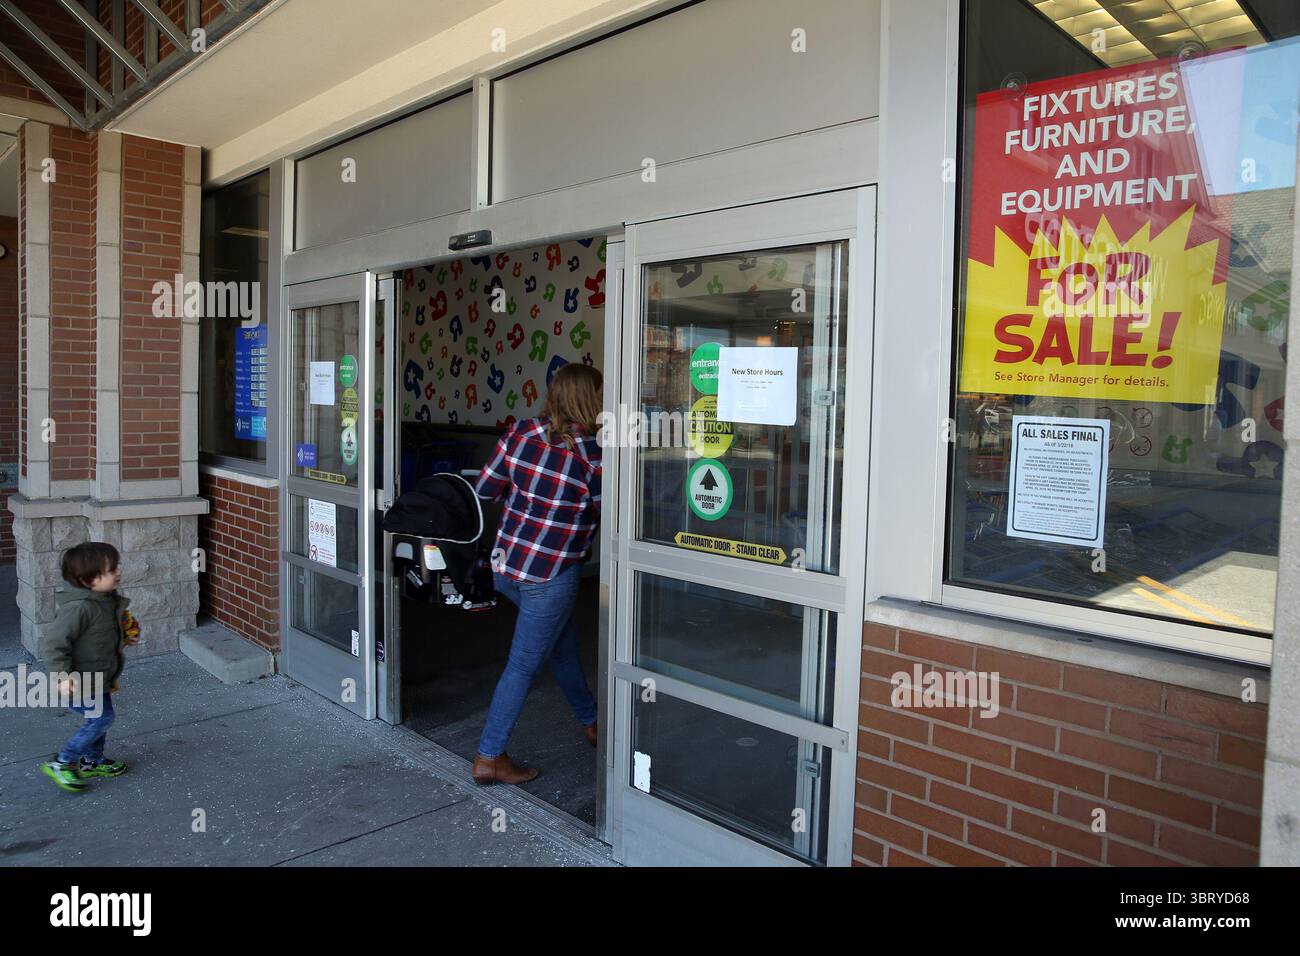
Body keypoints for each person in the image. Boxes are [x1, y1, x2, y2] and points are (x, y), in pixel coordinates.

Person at [471, 363, 603, 785]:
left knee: (559, 647)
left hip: (506, 566)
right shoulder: (594, 455)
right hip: (549, 576)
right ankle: (489, 757)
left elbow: (485, 490)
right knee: (523, 665)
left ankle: (592, 720)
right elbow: (611, 516)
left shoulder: (521, 432)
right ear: (592, 399)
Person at [38, 542, 138, 793]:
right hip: (80, 680)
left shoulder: (105, 600)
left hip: (100, 677)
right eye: (111, 569)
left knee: (99, 720)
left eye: (117, 566)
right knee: (102, 718)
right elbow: (54, 644)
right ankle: (64, 761)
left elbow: (102, 633)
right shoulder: (80, 607)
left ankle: (92, 760)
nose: (118, 571)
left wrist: (125, 636)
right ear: (88, 580)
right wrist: (61, 676)